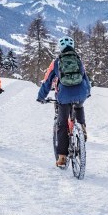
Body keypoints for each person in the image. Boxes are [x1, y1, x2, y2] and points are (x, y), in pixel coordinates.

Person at [37, 36, 91, 167]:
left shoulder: (56, 62)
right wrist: (87, 92)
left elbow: (47, 81)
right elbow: (85, 78)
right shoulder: (78, 60)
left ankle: (62, 157)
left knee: (62, 124)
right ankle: (82, 128)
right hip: (81, 92)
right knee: (79, 105)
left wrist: (41, 96)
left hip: (64, 95)